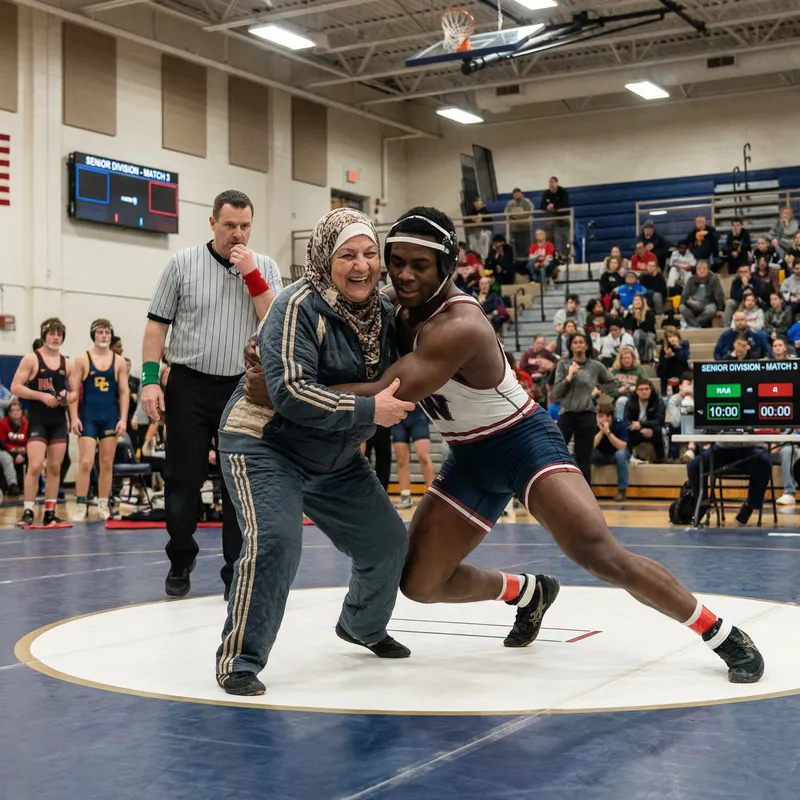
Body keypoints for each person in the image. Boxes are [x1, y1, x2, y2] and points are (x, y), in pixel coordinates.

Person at [239, 205, 762, 684]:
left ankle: (720, 633)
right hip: (469, 456)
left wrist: (289, 386)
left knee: (597, 553)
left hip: (521, 444)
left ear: (450, 267)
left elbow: (384, 394)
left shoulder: (458, 325)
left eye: (420, 265)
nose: (403, 275)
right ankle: (529, 592)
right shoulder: (388, 308)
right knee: (419, 583)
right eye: (396, 262)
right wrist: (275, 357)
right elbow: (308, 315)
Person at [216, 208, 413, 697]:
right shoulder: (295, 305)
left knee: (387, 541)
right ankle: (239, 658)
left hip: (333, 453)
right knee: (277, 543)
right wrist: (369, 408)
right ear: (325, 258)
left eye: (369, 253)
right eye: (347, 254)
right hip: (265, 444)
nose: (361, 264)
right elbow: (289, 391)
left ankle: (362, 625)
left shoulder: (386, 313)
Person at [141, 189, 282, 599]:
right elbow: (156, 326)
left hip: (244, 386)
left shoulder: (266, 266)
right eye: (229, 226)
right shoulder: (181, 264)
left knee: (238, 483)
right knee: (183, 479)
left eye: (244, 226)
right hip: (189, 383)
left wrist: (252, 273)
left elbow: (274, 322)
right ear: (212, 223)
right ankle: (180, 558)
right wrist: (150, 379)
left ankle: (234, 571)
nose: (237, 234)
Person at [10, 318, 77, 527]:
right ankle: (28, 510)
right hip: (38, 419)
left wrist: (66, 396)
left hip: (57, 421)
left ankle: (50, 512)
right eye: (51, 333)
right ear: (44, 335)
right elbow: (15, 387)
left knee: (55, 467)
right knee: (36, 465)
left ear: (63, 337)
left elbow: (75, 393)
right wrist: (40, 396)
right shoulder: (32, 359)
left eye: (59, 334)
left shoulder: (68, 362)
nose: (55, 337)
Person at [70, 319, 130, 522]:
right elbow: (73, 392)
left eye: (107, 332)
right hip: (88, 417)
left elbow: (124, 391)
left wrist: (123, 419)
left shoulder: (119, 361)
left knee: (106, 463)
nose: (104, 336)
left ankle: (103, 504)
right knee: (86, 462)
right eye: (100, 332)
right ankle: (80, 505)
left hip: (110, 416)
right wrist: (74, 417)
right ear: (93, 335)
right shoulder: (82, 360)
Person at [552, 332, 617, 482]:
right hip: (567, 413)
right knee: (556, 452)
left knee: (584, 458)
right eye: (575, 342)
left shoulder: (595, 366)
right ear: (570, 346)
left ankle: (585, 495)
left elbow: (612, 382)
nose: (578, 345)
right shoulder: (563, 365)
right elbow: (556, 392)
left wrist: (599, 391)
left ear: (587, 345)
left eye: (581, 342)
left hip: (587, 414)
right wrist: (569, 376)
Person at [392, 404, 435, 510]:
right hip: (399, 415)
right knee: (401, 459)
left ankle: (433, 496)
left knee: (424, 456)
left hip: (418, 414)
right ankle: (405, 495)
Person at [592, 403, 630, 502]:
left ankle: (622, 491)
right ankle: (586, 489)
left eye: (601, 416)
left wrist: (608, 432)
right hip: (600, 455)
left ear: (609, 417)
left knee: (621, 454)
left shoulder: (620, 424)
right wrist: (601, 432)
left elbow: (622, 446)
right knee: (585, 453)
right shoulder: (593, 425)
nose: (598, 419)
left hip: (616, 456)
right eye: (597, 416)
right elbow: (591, 446)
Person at [622, 378, 665, 463]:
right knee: (627, 430)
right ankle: (627, 458)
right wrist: (640, 428)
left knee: (658, 430)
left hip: (651, 429)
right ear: (637, 391)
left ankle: (660, 459)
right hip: (636, 430)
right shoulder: (630, 401)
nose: (644, 392)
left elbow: (660, 420)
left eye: (646, 389)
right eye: (641, 389)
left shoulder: (658, 401)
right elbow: (626, 420)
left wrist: (642, 424)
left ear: (650, 390)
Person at [679, 260, 724, 328]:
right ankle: (696, 325)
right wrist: (683, 302)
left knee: (711, 310)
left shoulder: (714, 280)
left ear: (708, 270)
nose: (702, 271)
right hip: (694, 304)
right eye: (699, 269)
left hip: (708, 303)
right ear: (696, 270)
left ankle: (693, 325)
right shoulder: (691, 280)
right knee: (682, 307)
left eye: (704, 269)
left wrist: (720, 308)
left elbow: (719, 295)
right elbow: (685, 294)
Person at [0, 399, 27, 494]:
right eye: (13, 410)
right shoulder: (3, 423)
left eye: (18, 410)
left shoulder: (27, 423)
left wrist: (23, 453)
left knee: (34, 457)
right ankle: (13, 485)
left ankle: (35, 486)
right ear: (9, 413)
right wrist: (14, 452)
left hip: (24, 451)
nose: (15, 413)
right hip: (7, 450)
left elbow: (30, 442)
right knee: (6, 458)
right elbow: (2, 442)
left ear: (22, 412)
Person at [540, 176, 571, 255]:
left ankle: (569, 256)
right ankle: (558, 256)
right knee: (556, 240)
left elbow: (565, 204)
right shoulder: (547, 193)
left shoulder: (562, 191)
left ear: (557, 183)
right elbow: (542, 205)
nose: (551, 184)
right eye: (550, 182)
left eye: (553, 182)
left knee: (566, 240)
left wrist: (554, 206)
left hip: (565, 219)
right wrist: (547, 207)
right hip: (554, 220)